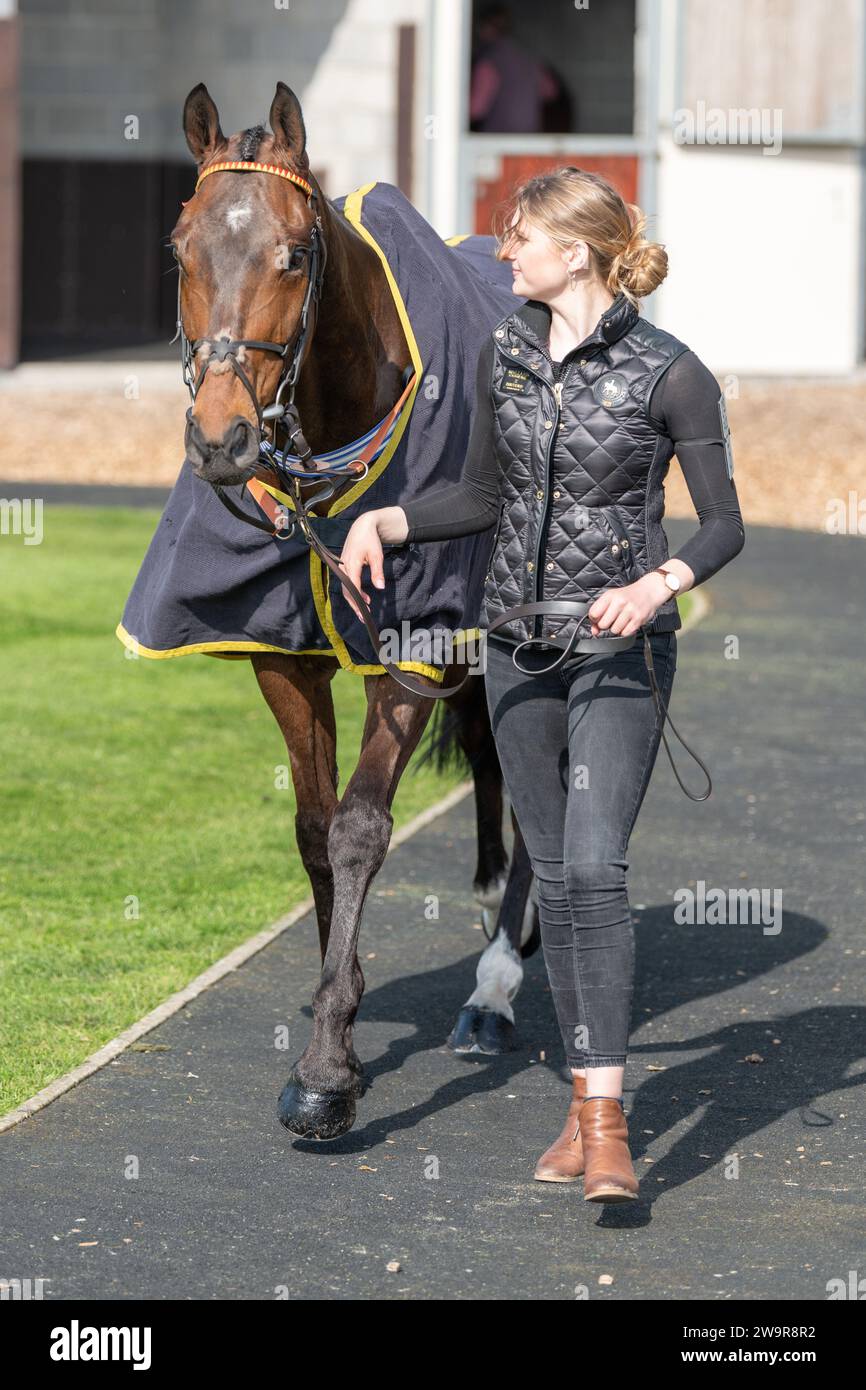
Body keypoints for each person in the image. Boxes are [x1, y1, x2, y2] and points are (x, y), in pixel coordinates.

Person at [337, 166, 745, 1202]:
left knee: (596, 869)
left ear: (574, 251)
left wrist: (659, 581)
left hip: (621, 653)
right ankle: (580, 1100)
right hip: (512, 651)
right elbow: (479, 493)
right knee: (555, 879)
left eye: (516, 236)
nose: (501, 250)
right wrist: (385, 518)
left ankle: (605, 1125)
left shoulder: (671, 372)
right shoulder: (504, 353)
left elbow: (721, 524)